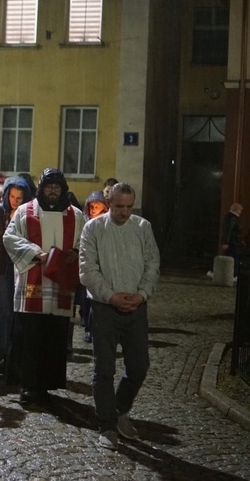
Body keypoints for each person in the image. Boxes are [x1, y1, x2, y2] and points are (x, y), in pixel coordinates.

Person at [79, 182, 160, 450]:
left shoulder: (142, 228)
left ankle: (119, 409)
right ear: (109, 202)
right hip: (104, 308)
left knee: (139, 366)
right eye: (118, 206)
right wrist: (111, 296)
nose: (124, 212)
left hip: (136, 307)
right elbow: (88, 270)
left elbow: (152, 263)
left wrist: (142, 294)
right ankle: (107, 425)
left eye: (129, 207)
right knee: (104, 369)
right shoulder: (93, 228)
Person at [3, 168, 85, 405]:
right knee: (30, 337)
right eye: (48, 186)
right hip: (32, 283)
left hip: (60, 286)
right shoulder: (24, 212)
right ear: (40, 189)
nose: (52, 191)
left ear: (63, 190)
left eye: (56, 187)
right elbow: (9, 238)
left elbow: (84, 242)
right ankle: (27, 385)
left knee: (53, 337)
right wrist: (36, 253)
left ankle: (47, 384)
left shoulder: (76, 216)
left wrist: (74, 253)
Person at [0, 176, 30, 375]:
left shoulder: (29, 214)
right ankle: (3, 353)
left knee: (20, 313)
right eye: (12, 196)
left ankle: (16, 354)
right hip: (1, 269)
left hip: (22, 269)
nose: (15, 201)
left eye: (19, 197)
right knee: (3, 312)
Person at [76, 190, 109, 343]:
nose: (94, 208)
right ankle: (89, 328)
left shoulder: (108, 223)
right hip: (86, 266)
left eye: (98, 205)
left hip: (103, 266)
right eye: (92, 205)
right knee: (87, 300)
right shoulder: (84, 221)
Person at [220, 203, 244, 278]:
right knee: (234, 259)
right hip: (233, 243)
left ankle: (228, 274)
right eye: (240, 210)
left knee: (230, 258)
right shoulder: (232, 218)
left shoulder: (230, 217)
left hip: (233, 242)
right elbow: (228, 231)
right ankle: (233, 275)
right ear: (236, 209)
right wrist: (226, 242)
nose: (240, 212)